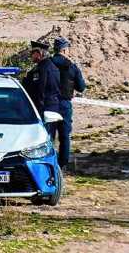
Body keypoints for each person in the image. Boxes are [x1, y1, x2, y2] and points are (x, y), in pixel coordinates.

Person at [49, 37, 86, 170]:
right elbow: (81, 87)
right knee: (64, 136)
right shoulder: (71, 66)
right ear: (64, 50)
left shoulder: (48, 63)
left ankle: (49, 162)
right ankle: (62, 164)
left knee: (49, 136)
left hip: (49, 104)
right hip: (64, 104)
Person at [23, 41, 60, 129]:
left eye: (33, 53)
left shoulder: (41, 69)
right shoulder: (53, 66)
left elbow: (40, 89)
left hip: (43, 107)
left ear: (39, 54)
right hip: (53, 106)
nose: (31, 56)